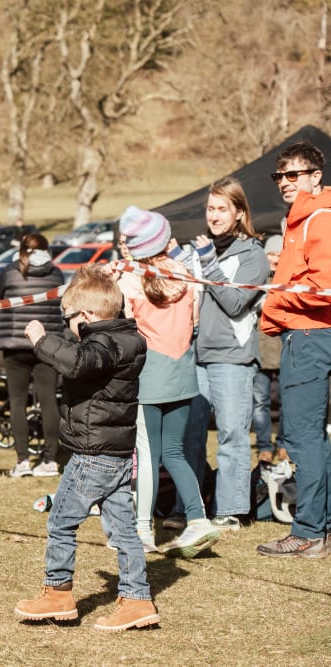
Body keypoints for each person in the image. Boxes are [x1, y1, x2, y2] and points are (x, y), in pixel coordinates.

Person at [13, 265, 160, 631]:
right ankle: (137, 599)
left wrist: (42, 341)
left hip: (93, 455)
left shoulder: (103, 345)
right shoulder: (125, 339)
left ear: (87, 316)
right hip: (117, 454)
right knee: (123, 531)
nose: (68, 327)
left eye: (69, 319)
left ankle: (57, 593)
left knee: (61, 522)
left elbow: (78, 363)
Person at [116, 206, 217, 557]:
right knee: (174, 451)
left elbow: (125, 326)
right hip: (183, 372)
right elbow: (195, 322)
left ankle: (143, 531)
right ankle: (199, 519)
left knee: (147, 454)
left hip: (149, 373)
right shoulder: (185, 274)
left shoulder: (129, 279)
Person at [172, 177, 268, 533]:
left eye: (222, 209)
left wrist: (209, 265)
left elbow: (235, 303)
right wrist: (176, 263)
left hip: (232, 357)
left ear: (239, 212)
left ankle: (230, 510)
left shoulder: (253, 254)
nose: (213, 216)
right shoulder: (202, 249)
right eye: (210, 209)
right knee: (190, 436)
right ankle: (188, 508)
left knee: (231, 435)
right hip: (195, 354)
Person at [258, 140, 331, 558]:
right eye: (278, 176)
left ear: (315, 176)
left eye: (293, 174)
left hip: (309, 336)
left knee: (304, 438)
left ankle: (308, 532)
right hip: (309, 334)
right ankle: (320, 527)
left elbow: (323, 287)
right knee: (317, 439)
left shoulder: (318, 218)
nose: (284, 182)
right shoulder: (303, 217)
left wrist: (279, 300)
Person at [0, 233, 65, 477]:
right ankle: (51, 460)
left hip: (15, 343)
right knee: (49, 400)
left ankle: (22, 460)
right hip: (46, 342)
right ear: (46, 249)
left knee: (17, 401)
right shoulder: (56, 273)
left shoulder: (10, 271)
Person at [253, 234, 288, 464]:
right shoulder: (256, 278)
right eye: (271, 254)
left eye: (279, 254)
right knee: (260, 402)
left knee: (288, 401)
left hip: (285, 347)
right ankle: (264, 446)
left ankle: (284, 443)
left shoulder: (290, 279)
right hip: (260, 349)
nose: (275, 258)